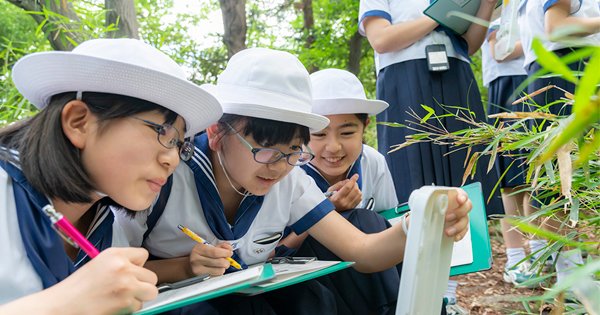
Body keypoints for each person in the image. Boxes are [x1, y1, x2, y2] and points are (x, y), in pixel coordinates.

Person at [116, 48, 472, 315]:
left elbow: (362, 251)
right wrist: (182, 266)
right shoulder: (166, 173)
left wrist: (417, 225)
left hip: (252, 303)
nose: (279, 166)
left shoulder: (290, 179)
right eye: (265, 149)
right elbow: (108, 269)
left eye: (293, 151)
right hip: (173, 305)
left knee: (314, 300)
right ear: (216, 132)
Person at [0, 38, 223, 314]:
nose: (173, 159)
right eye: (162, 132)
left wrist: (187, 267)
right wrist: (65, 304)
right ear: (78, 122)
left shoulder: (107, 224)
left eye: (179, 144)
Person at [358, 0, 504, 311]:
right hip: (405, 81)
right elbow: (381, 40)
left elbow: (470, 45)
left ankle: (447, 295)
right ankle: (419, 290)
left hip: (455, 77)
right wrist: (436, 17)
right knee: (413, 179)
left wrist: (487, 6)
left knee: (459, 177)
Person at [277, 68, 400, 314]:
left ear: (365, 126)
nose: (333, 147)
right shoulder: (287, 173)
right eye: (319, 134)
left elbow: (389, 221)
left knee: (369, 221)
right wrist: (328, 211)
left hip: (373, 276)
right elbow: (273, 252)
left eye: (347, 132)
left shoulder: (372, 162)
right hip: (308, 281)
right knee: (361, 220)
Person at [518, 0, 600, 288]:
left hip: (560, 73)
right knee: (562, 183)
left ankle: (562, 269)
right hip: (567, 73)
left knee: (560, 181)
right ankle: (571, 276)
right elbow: (557, 27)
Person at [482, 18, 538, 287]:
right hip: (507, 87)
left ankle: (540, 254)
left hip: (538, 80)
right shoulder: (501, 14)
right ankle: (516, 259)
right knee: (512, 182)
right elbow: (499, 51)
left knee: (537, 176)